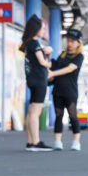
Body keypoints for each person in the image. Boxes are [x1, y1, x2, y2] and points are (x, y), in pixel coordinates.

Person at [20, 15, 53, 152]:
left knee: (31, 111)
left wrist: (47, 54)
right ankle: (36, 142)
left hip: (32, 80)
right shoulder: (34, 43)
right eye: (42, 28)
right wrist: (52, 63)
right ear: (36, 29)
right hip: (39, 80)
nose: (43, 30)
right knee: (35, 112)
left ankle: (30, 141)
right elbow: (42, 62)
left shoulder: (29, 43)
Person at [48, 29, 85, 151]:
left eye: (73, 41)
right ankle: (57, 141)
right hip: (58, 89)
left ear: (79, 43)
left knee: (73, 115)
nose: (70, 43)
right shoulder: (62, 55)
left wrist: (54, 72)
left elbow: (70, 69)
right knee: (58, 115)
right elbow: (55, 67)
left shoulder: (79, 56)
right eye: (68, 40)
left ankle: (76, 142)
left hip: (70, 91)